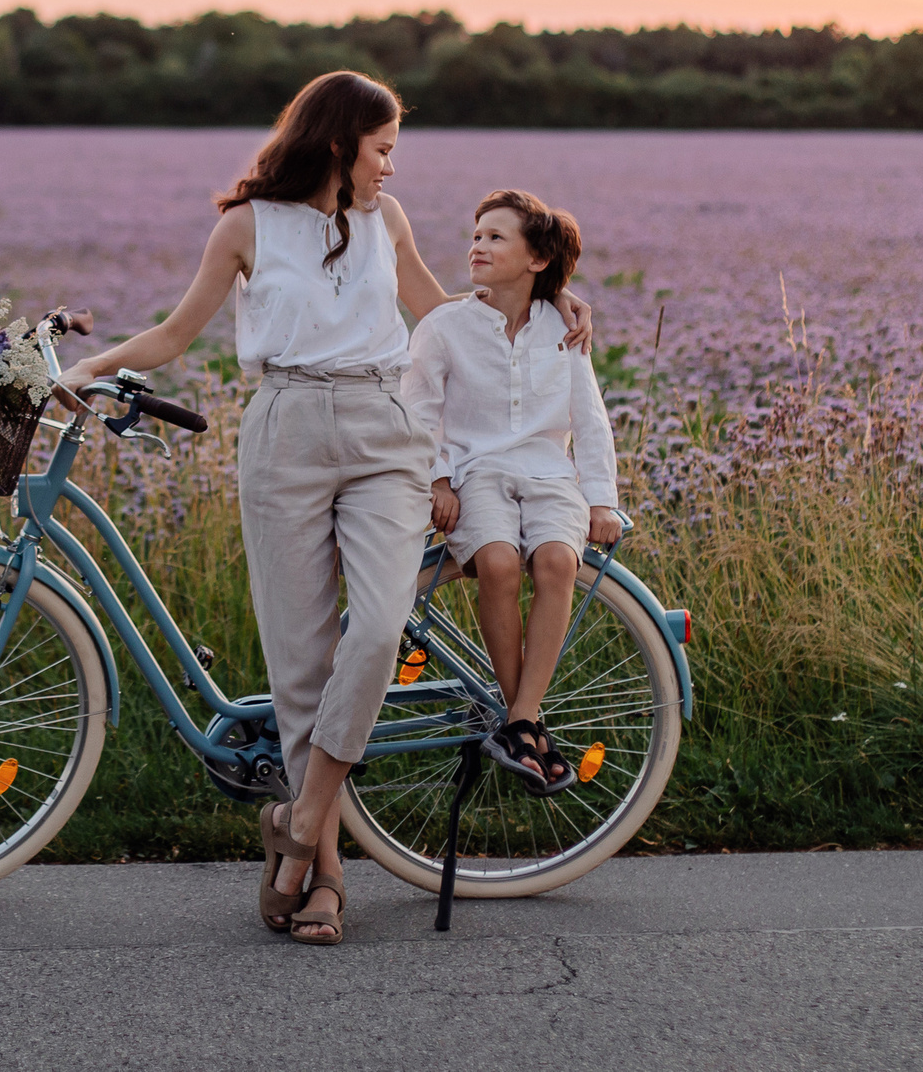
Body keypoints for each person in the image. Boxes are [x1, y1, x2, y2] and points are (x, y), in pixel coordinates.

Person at [64, 73, 590, 945]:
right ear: (342, 143)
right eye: (383, 148)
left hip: (387, 429)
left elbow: (441, 311)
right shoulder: (246, 226)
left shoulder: (388, 222)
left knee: (379, 630)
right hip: (285, 432)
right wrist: (80, 372)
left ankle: (300, 823)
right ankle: (326, 878)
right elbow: (171, 334)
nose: (392, 165)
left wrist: (544, 301)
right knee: (302, 668)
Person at [401, 189, 625, 794]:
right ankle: (522, 723)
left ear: (537, 261)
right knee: (497, 563)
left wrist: (600, 498)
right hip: (477, 471)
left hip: (550, 471)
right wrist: (439, 478)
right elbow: (423, 410)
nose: (478, 245)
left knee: (556, 559)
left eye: (496, 237)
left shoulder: (562, 327)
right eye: (476, 235)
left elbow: (590, 415)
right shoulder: (445, 326)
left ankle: (522, 719)